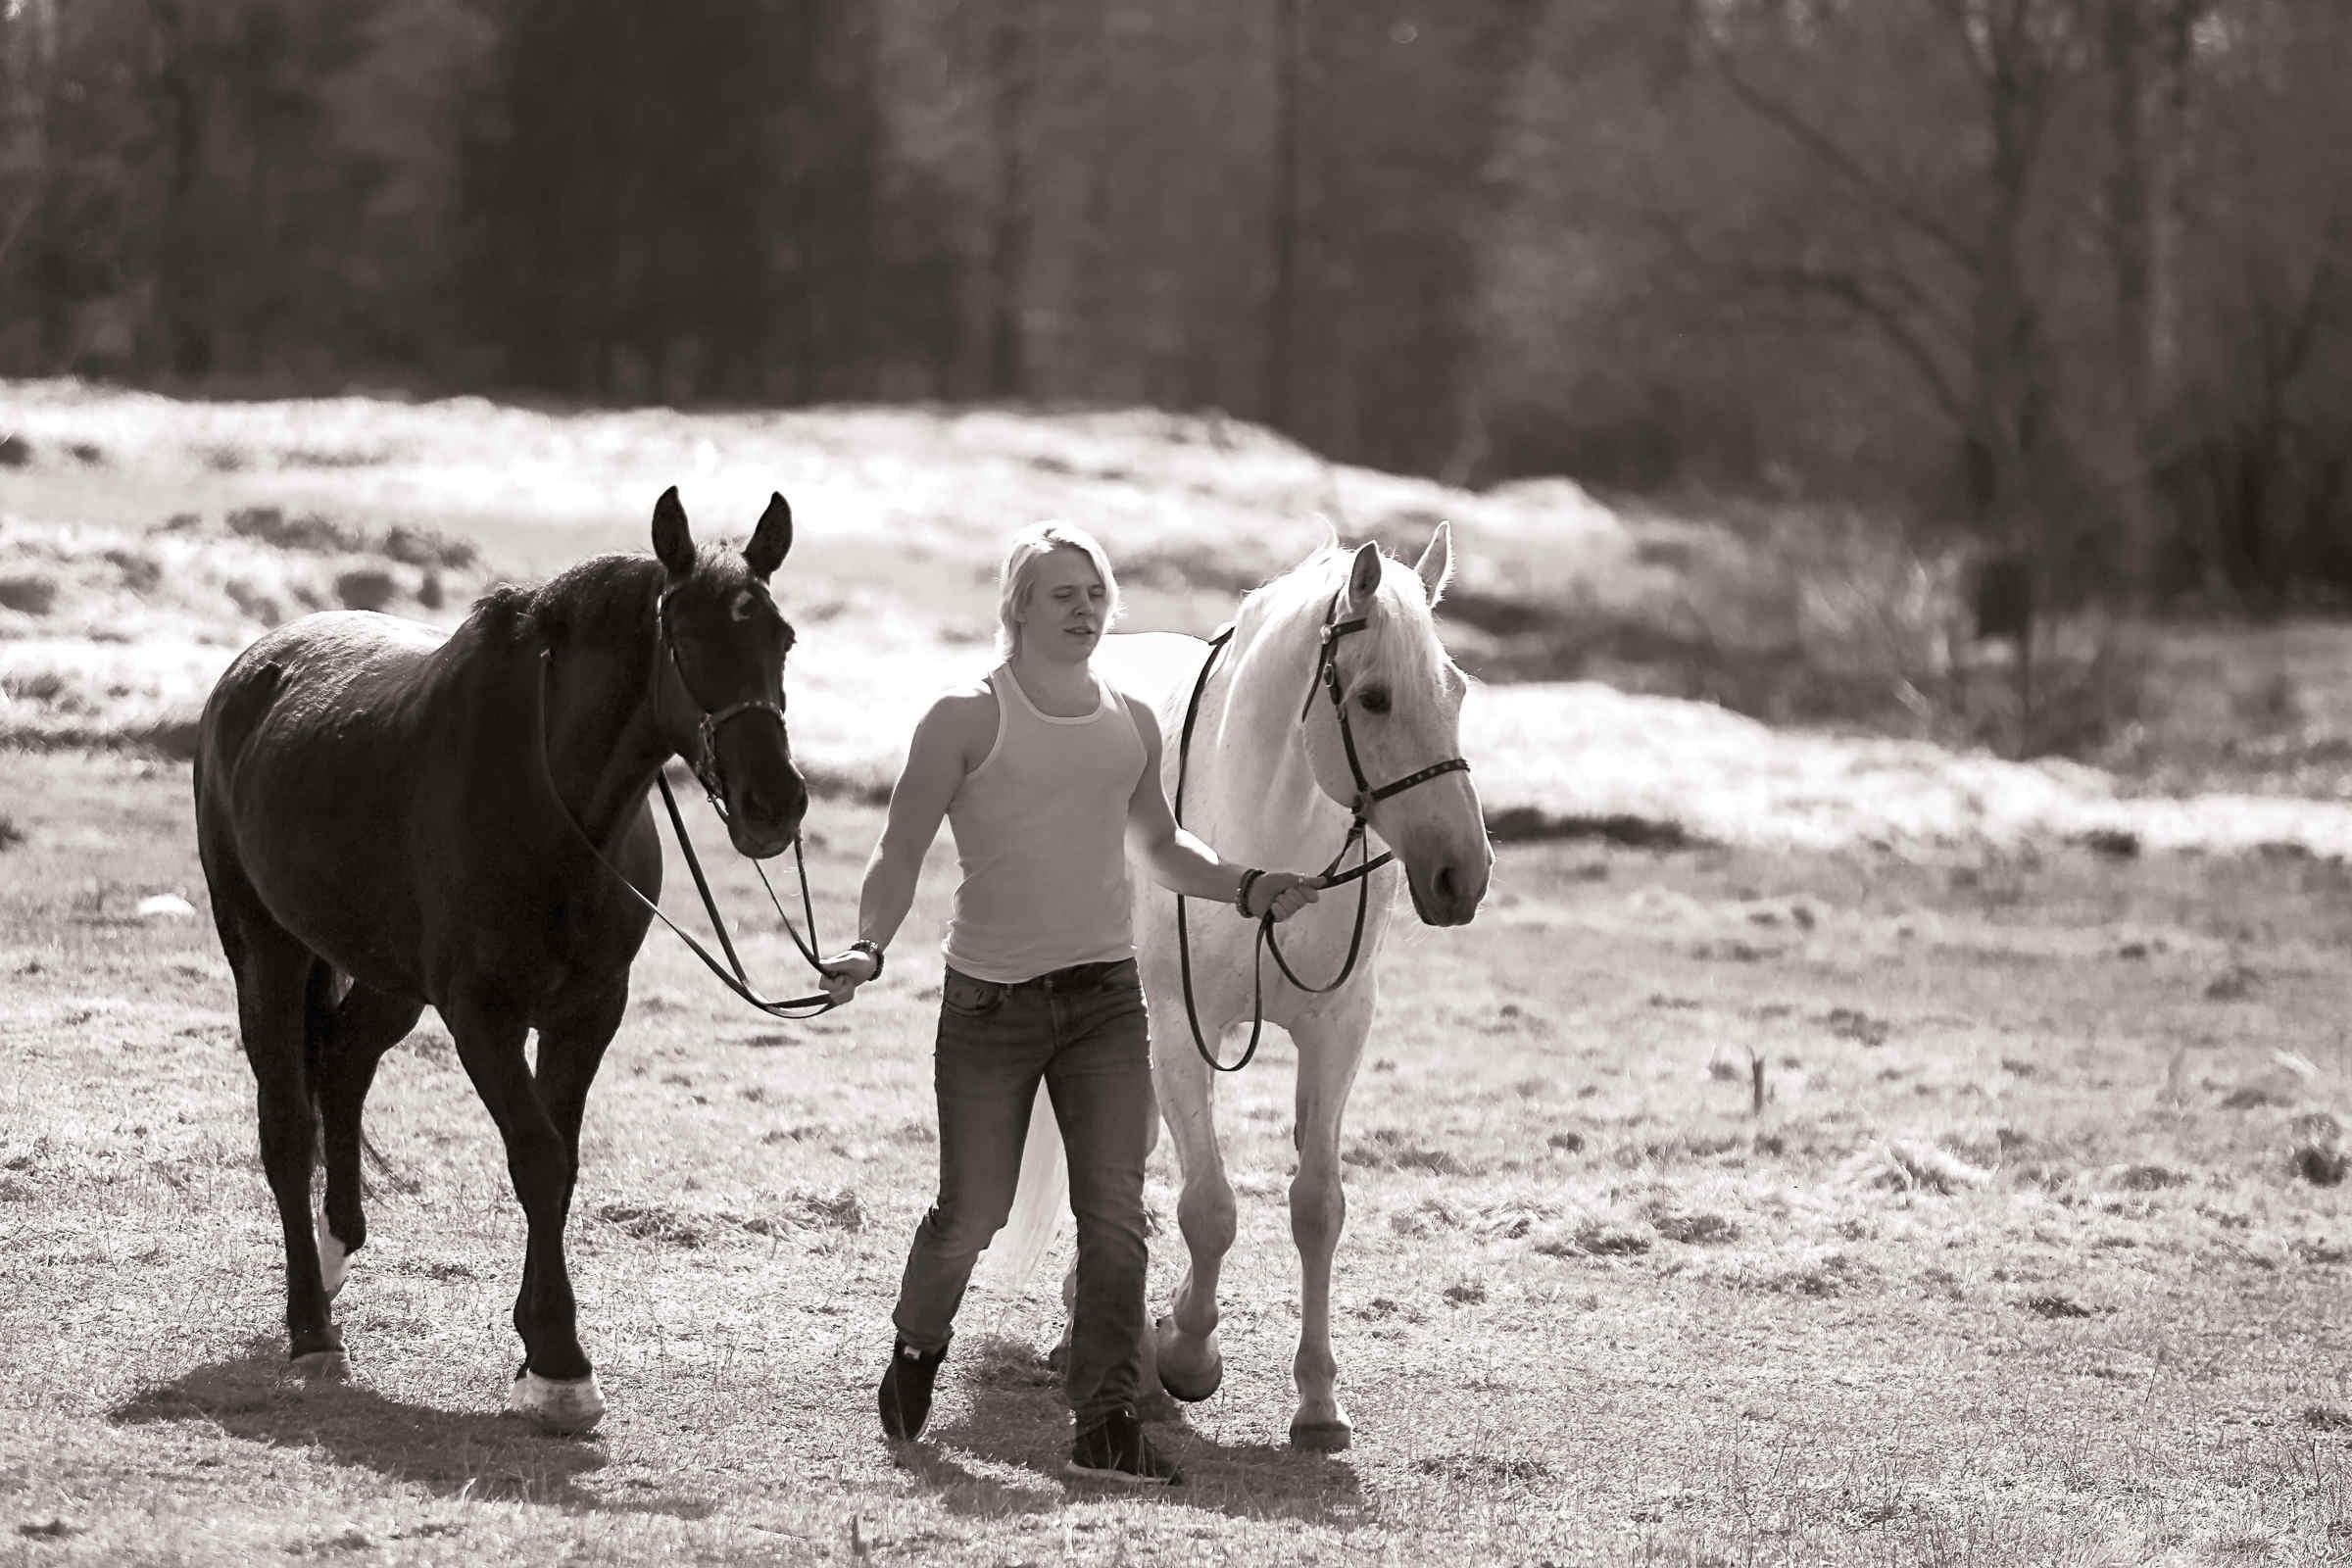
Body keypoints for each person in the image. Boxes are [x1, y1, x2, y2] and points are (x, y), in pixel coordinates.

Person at [817, 522, 1317, 1486]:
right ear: (1017, 608)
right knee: (973, 1212)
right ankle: (919, 1345)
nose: (1085, 608)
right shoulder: (962, 718)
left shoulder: (1129, 722)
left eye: (1095, 593)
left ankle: (1105, 1422)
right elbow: (900, 850)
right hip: (990, 1005)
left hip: (1102, 1002)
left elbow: (1164, 851)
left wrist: (1249, 886)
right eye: (1061, 593)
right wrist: (869, 944)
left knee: (1118, 1217)